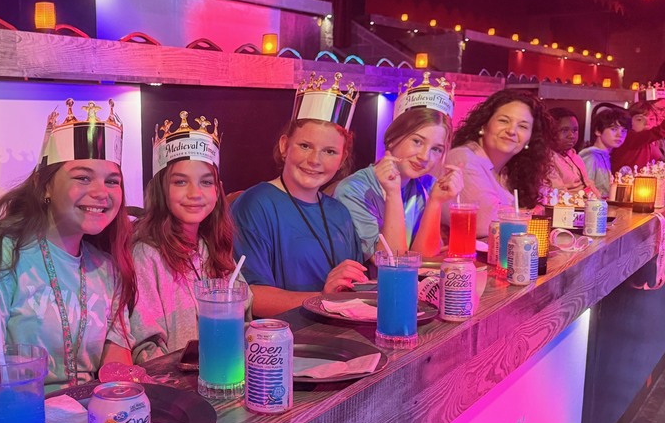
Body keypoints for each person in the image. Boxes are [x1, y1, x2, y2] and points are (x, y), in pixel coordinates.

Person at [0, 99, 135, 389]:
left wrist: (118, 402)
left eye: (112, 181)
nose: (101, 193)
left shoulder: (108, 266)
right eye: (83, 177)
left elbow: (118, 351)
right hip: (22, 411)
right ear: (44, 185)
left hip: (90, 412)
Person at [103, 111, 244, 364]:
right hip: (176, 388)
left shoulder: (213, 246)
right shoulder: (146, 254)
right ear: (161, 189)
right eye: (180, 182)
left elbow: (244, 315)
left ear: (217, 189)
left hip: (226, 373)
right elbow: (145, 348)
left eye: (205, 182)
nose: (195, 193)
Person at [232, 74, 366, 317]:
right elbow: (252, 298)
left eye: (329, 151)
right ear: (285, 146)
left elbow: (352, 285)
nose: (314, 160)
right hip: (279, 343)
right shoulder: (255, 205)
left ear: (342, 159)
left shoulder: (339, 212)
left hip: (338, 335)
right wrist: (324, 299)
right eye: (305, 146)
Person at [334, 74, 463, 258]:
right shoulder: (354, 190)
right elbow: (392, 262)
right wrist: (393, 194)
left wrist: (435, 202)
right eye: (417, 141)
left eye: (436, 149)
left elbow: (424, 259)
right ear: (393, 138)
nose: (425, 156)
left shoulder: (427, 185)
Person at [443, 89, 554, 237]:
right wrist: (526, 214)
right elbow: (483, 224)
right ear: (483, 125)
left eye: (523, 126)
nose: (512, 131)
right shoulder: (463, 158)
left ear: (529, 139)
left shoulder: (508, 171)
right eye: (504, 121)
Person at [580, 105, 631, 197]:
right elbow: (584, 186)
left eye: (624, 131)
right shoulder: (591, 155)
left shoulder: (604, 155)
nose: (620, 135)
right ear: (598, 131)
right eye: (613, 129)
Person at [544, 107, 596, 194]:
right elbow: (558, 193)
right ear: (550, 132)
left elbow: (588, 185)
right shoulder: (546, 159)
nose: (572, 135)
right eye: (564, 130)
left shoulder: (575, 157)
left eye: (575, 130)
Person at [611, 100, 665, 172]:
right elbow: (654, 133)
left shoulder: (655, 142)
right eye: (639, 119)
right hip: (626, 181)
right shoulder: (627, 137)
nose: (647, 123)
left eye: (651, 119)